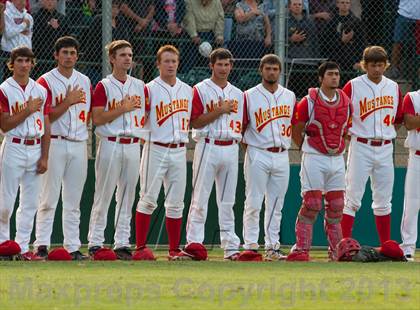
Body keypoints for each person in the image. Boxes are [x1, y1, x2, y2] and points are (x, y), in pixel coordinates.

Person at [33, 36, 92, 261]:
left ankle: (72, 247)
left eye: (72, 53)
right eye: (64, 52)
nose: (69, 56)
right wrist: (67, 101)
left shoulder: (84, 80)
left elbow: (86, 115)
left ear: (77, 56)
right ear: (56, 55)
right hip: (55, 141)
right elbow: (45, 116)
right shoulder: (45, 81)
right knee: (48, 198)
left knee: (73, 200)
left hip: (78, 143)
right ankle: (41, 245)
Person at [287, 61, 352, 261]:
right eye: (330, 74)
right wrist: (305, 148)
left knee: (337, 206)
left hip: (337, 158)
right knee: (312, 204)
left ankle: (336, 251)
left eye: (337, 74)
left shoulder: (346, 101)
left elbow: (346, 129)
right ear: (321, 78)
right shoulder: (309, 101)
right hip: (314, 156)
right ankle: (302, 249)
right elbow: (296, 128)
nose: (335, 77)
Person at [87, 40, 145, 260]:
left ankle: (122, 243)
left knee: (127, 196)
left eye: (130, 55)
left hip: (132, 144)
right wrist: (122, 108)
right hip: (110, 142)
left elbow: (146, 114)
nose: (127, 58)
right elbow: (98, 118)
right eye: (122, 55)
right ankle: (95, 242)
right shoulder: (104, 85)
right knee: (103, 194)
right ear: (112, 58)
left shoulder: (139, 85)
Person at [184, 48, 243, 261]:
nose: (223, 68)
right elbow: (195, 121)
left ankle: (231, 247)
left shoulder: (238, 93)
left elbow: (242, 125)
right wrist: (219, 110)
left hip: (231, 146)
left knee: (228, 201)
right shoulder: (200, 89)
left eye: (227, 64)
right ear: (211, 65)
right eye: (219, 64)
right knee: (199, 199)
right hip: (207, 144)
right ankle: (194, 244)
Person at [341, 46, 403, 246]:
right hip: (361, 145)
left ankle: (385, 244)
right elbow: (342, 112)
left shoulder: (393, 87)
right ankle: (344, 244)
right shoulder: (353, 85)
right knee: (351, 197)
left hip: (386, 146)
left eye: (380, 64)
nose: (376, 69)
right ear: (364, 65)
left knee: (384, 199)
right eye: (372, 65)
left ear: (386, 65)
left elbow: (398, 118)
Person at [134, 45, 192, 261]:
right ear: (158, 64)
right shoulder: (148, 88)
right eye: (166, 61)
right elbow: (139, 118)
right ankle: (141, 247)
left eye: (173, 61)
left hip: (179, 149)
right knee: (147, 199)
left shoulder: (187, 90)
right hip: (155, 147)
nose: (170, 65)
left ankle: (174, 250)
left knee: (176, 202)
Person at [240, 54, 296, 261]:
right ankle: (251, 245)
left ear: (280, 71)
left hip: (282, 154)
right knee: (253, 200)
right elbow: (242, 126)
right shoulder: (249, 95)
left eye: (275, 69)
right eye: (268, 68)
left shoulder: (289, 96)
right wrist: (252, 148)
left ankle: (272, 247)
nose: (271, 72)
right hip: (258, 151)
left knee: (276, 204)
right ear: (261, 70)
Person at [0, 46, 51, 261]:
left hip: (35, 146)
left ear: (32, 63)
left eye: (27, 60)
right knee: (5, 201)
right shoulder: (4, 89)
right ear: (11, 64)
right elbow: (4, 125)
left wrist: (45, 155)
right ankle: (3, 245)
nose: (23, 64)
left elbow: (47, 124)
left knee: (30, 202)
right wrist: (28, 110)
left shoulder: (40, 90)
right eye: (19, 60)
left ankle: (21, 248)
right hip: (13, 145)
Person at [399, 89, 420, 262]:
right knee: (412, 204)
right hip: (418, 156)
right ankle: (408, 248)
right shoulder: (413, 97)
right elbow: (410, 123)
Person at [322, 0, 365, 70]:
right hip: (335, 59)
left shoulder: (356, 22)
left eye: (347, 3)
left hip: (352, 59)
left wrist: (359, 60)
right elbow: (326, 42)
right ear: (337, 4)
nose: (345, 5)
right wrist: (341, 41)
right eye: (342, 2)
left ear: (350, 4)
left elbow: (361, 42)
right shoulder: (331, 22)